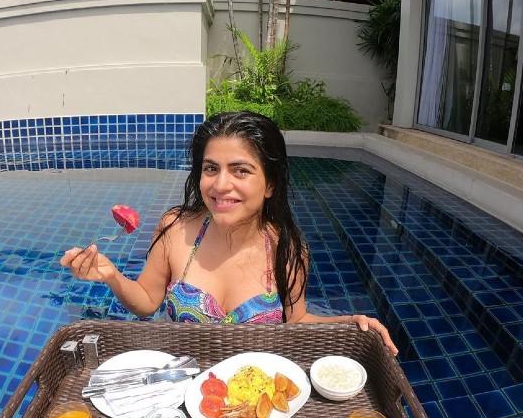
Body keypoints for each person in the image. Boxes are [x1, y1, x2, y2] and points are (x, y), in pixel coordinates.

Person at [60, 111, 397, 355]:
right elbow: (148, 303)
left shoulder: (287, 250)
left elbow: (296, 322)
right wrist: (111, 275)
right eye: (211, 169)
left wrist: (350, 322)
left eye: (240, 170)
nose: (221, 185)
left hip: (248, 401)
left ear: (270, 184)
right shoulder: (176, 228)